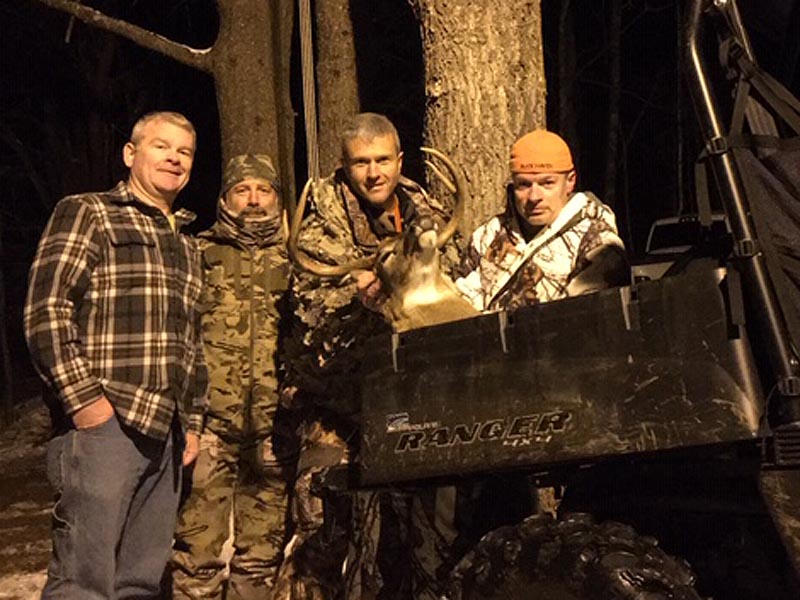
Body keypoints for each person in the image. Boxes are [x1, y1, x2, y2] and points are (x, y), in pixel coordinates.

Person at [276, 112, 460, 600]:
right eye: (361, 163)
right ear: (345, 166)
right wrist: (358, 295)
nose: (374, 173)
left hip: (413, 405)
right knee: (321, 530)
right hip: (340, 401)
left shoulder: (428, 213)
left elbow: (457, 279)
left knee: (419, 539)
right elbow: (310, 300)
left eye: (382, 160)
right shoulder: (321, 224)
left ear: (399, 160)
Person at [24, 111, 207, 599]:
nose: (174, 158)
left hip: (166, 433)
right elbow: (46, 310)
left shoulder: (187, 245)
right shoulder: (89, 212)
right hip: (106, 426)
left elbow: (192, 343)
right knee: (83, 580)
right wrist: (86, 403)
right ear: (130, 154)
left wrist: (191, 422)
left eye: (185, 152)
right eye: (161, 146)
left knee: (141, 583)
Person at [171, 154, 294, 600]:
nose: (254, 200)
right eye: (242, 190)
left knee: (261, 555)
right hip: (208, 429)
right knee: (195, 552)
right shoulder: (198, 253)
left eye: (264, 190)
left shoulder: (298, 259)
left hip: (274, 431)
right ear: (225, 199)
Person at [456, 129, 629, 311]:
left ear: (570, 181)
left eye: (547, 183)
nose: (534, 197)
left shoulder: (597, 243)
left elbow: (585, 318)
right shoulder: (486, 236)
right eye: (524, 185)